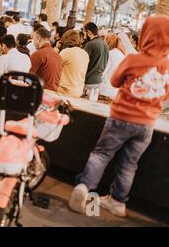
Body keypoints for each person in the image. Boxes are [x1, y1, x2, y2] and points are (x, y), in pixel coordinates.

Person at [69, 15, 169, 218]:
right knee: (129, 164)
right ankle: (117, 202)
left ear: (146, 34)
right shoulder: (166, 66)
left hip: (121, 118)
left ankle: (84, 188)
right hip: (147, 125)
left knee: (101, 154)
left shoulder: (134, 60)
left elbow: (114, 81)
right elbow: (165, 93)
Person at [56, 30, 90, 98]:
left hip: (65, 91)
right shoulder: (85, 53)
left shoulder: (66, 52)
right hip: (78, 90)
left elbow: (54, 65)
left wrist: (56, 49)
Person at [30, 27, 62, 92]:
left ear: (38, 39)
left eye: (33, 40)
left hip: (42, 92)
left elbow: (29, 77)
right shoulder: (58, 56)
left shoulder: (38, 54)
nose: (33, 43)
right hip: (54, 92)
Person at [84, 22, 110, 101]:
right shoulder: (105, 45)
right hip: (98, 81)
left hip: (88, 80)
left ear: (88, 32)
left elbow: (83, 61)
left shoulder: (90, 44)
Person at [99, 34, 127, 100]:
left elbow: (103, 72)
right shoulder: (123, 55)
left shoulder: (110, 54)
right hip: (116, 91)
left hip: (105, 91)